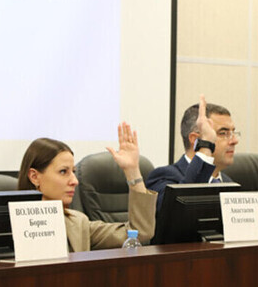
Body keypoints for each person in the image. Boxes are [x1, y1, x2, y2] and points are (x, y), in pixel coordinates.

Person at [17, 122, 156, 251]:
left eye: (73, 172)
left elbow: (140, 232)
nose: (74, 181)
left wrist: (132, 170)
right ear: (34, 177)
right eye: (63, 172)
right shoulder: (12, 225)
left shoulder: (78, 223)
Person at [146, 95, 239, 210]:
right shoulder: (164, 178)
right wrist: (206, 145)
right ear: (195, 140)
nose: (234, 141)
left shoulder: (230, 184)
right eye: (223, 133)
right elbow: (179, 211)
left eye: (233, 133)